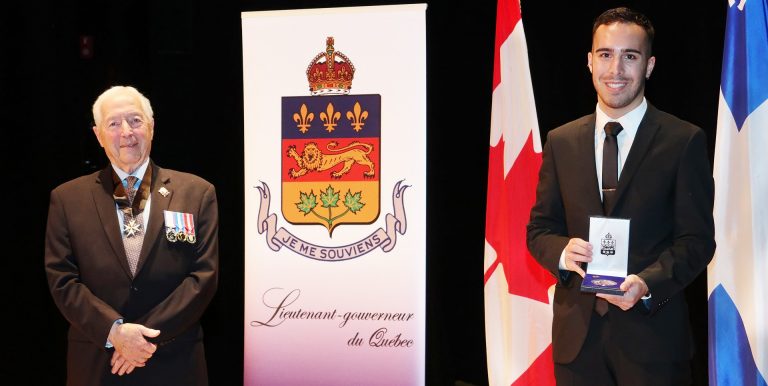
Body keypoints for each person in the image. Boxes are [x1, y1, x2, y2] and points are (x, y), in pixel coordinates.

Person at [526, 7, 715, 385]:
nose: (616, 70)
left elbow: (696, 241)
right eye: (606, 54)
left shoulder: (683, 140)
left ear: (649, 65)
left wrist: (648, 283)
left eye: (630, 56)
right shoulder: (560, 142)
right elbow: (540, 230)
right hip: (577, 345)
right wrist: (563, 252)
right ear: (589, 61)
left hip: (654, 343)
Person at [44, 85, 219, 385]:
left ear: (151, 128)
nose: (126, 131)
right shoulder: (67, 199)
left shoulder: (197, 193)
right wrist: (115, 332)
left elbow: (203, 278)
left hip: (175, 362)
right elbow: (62, 280)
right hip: (100, 363)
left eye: (136, 121)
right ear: (98, 135)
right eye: (113, 123)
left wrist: (139, 339)